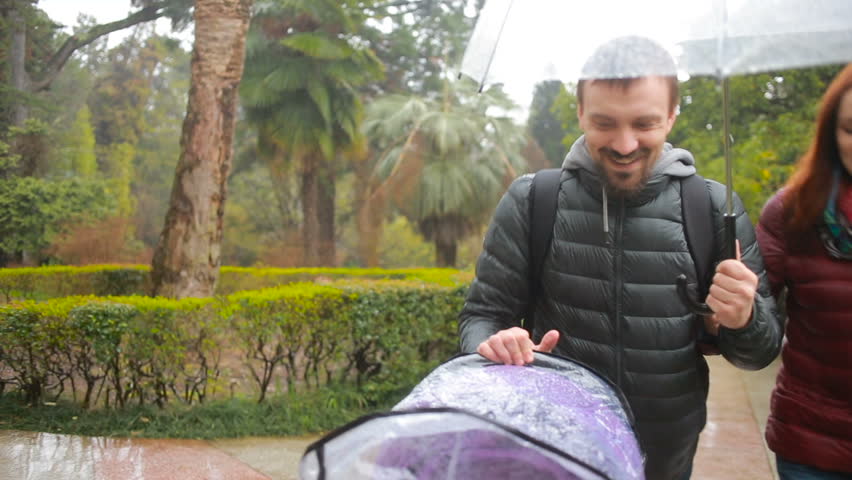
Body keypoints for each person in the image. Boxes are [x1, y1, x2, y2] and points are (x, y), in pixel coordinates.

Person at [458, 36, 783, 480]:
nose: (625, 144)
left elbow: (758, 354)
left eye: (644, 123)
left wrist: (743, 319)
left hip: (665, 455)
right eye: (605, 123)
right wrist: (494, 344)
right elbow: (481, 316)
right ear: (580, 114)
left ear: (671, 116)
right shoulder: (534, 200)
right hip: (557, 443)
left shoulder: (711, 208)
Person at [756, 64, 852, 479]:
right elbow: (755, 332)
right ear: (831, 134)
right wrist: (731, 311)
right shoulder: (793, 212)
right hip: (812, 445)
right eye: (850, 128)